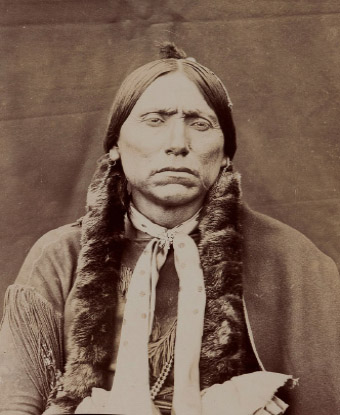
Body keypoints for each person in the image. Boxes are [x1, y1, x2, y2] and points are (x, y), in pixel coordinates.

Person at [0, 43, 339, 415]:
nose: (178, 144)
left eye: (200, 123)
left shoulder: (291, 260)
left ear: (226, 152)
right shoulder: (61, 255)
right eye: (155, 120)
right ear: (115, 145)